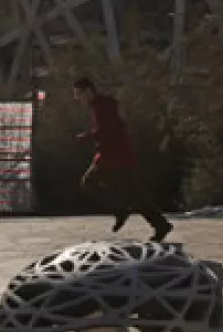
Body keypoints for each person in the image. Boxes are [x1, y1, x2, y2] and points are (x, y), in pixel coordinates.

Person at [73, 77, 174, 242]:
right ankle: (154, 222)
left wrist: (85, 137)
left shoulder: (101, 106)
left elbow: (107, 130)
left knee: (95, 184)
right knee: (130, 191)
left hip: (114, 155)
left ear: (88, 91)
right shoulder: (101, 105)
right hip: (114, 154)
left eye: (79, 94)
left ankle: (122, 210)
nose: (77, 98)